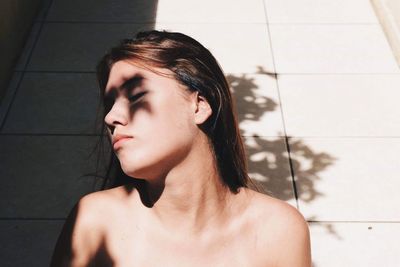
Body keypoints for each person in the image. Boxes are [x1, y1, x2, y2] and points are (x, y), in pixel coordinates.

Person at [50, 30, 311, 267]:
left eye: (136, 95)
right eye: (110, 103)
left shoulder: (278, 231)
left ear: (199, 105)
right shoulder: (95, 221)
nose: (111, 117)